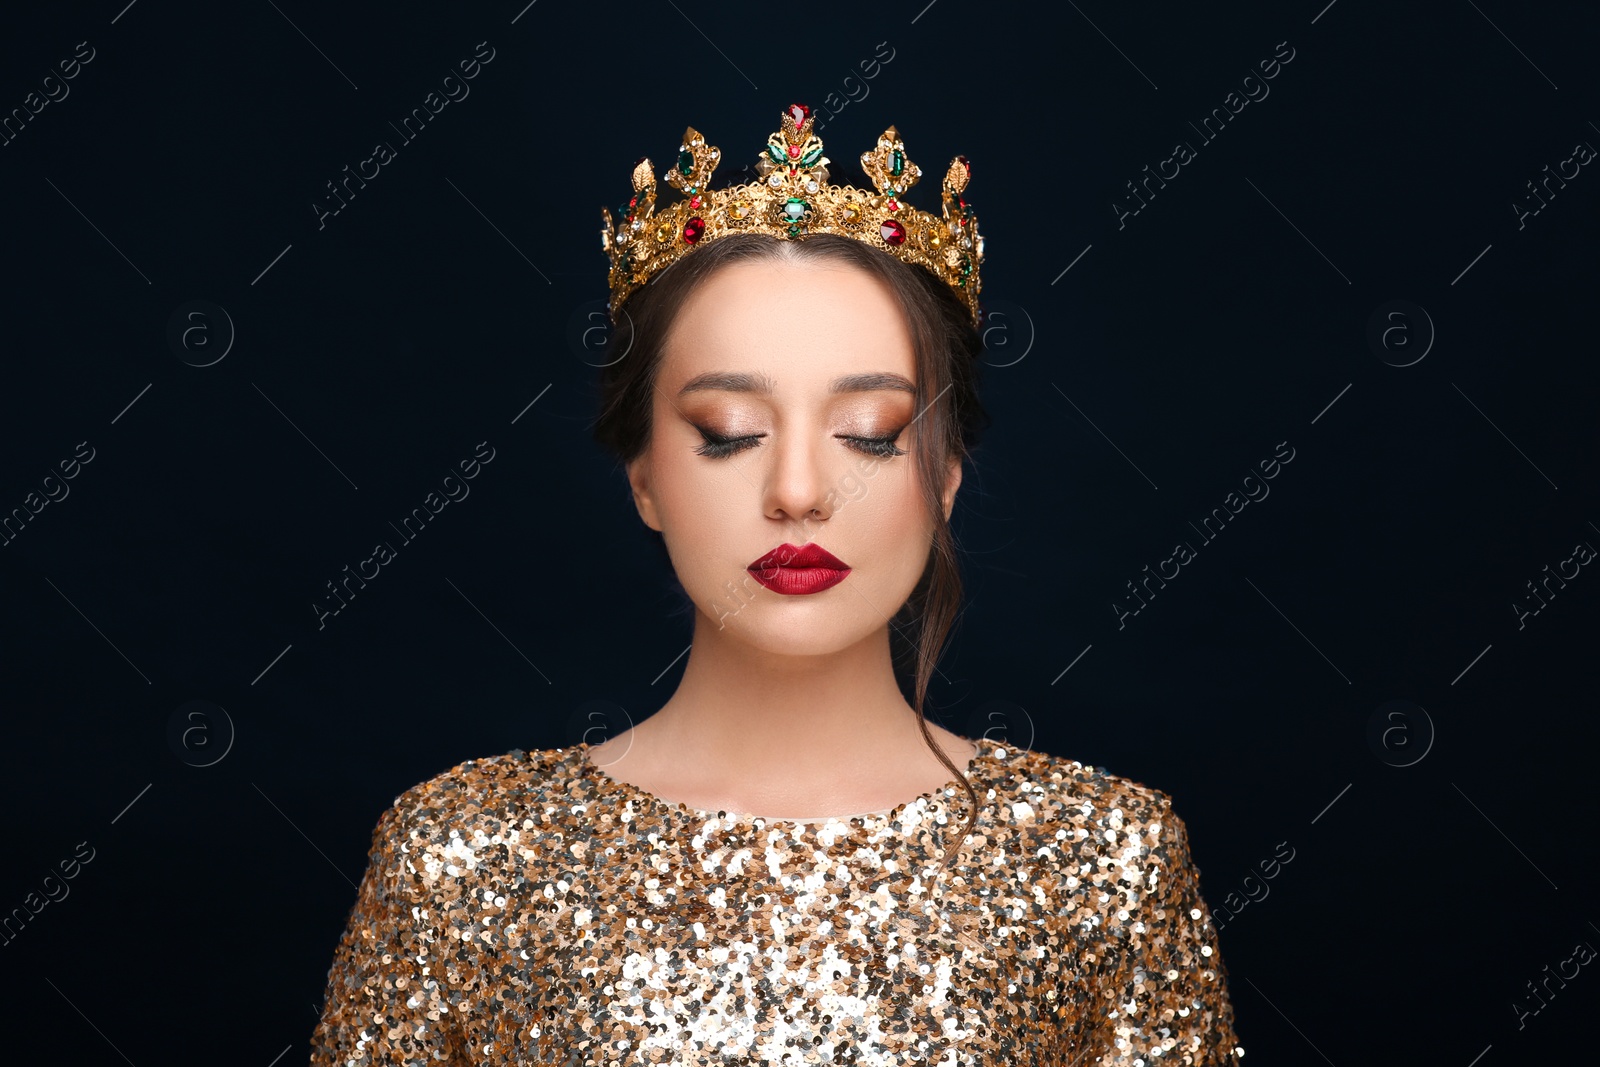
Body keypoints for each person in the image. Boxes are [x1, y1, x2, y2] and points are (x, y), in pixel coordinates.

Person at [309, 104, 1244, 1065]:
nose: (799, 490)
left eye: (871, 432)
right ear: (644, 477)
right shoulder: (464, 862)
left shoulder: (1102, 864)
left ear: (947, 476)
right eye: (729, 432)